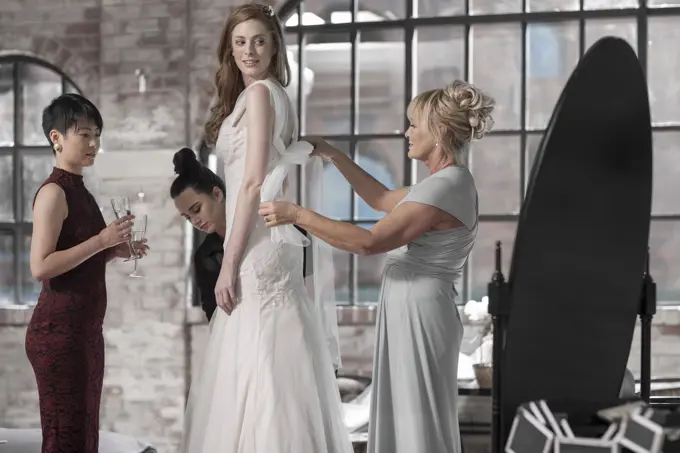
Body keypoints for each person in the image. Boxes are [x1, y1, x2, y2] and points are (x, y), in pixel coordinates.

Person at [259, 79, 496, 453]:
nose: (407, 132)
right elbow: (382, 198)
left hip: (420, 309)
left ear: (439, 134)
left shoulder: (445, 186)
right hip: (414, 305)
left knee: (416, 417)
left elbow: (368, 242)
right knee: (408, 413)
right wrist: (337, 156)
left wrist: (298, 214)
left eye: (414, 125)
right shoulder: (445, 182)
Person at [178, 4, 351, 453]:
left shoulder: (260, 94)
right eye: (240, 42)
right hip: (264, 240)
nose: (249, 50)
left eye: (259, 40)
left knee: (259, 358)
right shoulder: (266, 94)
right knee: (265, 359)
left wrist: (228, 262)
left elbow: (253, 180)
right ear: (229, 50)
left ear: (275, 45)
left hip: (255, 244)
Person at [25, 93, 149, 453]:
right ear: (56, 137)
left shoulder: (81, 191)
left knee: (82, 435)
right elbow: (41, 266)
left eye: (97, 134)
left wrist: (113, 249)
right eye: (84, 134)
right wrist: (100, 241)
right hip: (58, 333)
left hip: (83, 332)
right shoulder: (53, 193)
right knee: (66, 438)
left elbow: (79, 260)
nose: (94, 143)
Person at [170, 147, 312, 322]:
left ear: (217, 194)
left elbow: (309, 282)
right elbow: (213, 316)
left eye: (197, 210)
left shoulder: (272, 224)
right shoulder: (204, 256)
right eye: (188, 217)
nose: (195, 221)